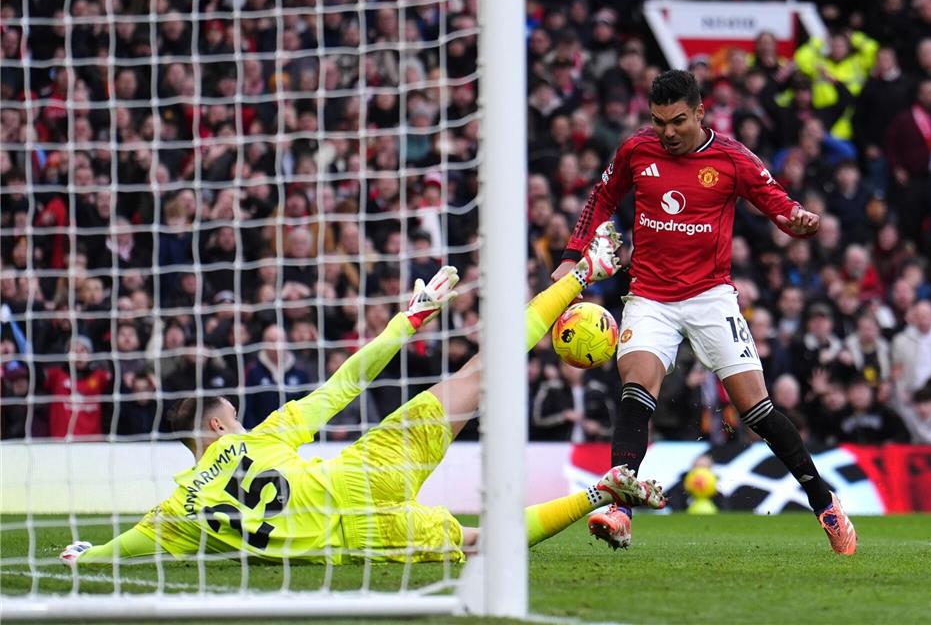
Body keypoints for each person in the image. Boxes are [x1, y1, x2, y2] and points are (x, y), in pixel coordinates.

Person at [60, 224, 665, 566]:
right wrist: (407, 322)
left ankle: (597, 492)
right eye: (235, 418)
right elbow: (346, 381)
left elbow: (125, 547)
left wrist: (83, 555)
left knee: (482, 540)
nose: (243, 422)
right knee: (481, 377)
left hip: (356, 537)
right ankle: (583, 274)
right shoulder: (265, 437)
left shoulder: (180, 510)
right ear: (218, 428)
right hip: (362, 470)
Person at [551, 70, 856, 555]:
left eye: (677, 121)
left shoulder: (733, 159)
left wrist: (799, 221)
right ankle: (620, 511)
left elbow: (779, 206)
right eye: (658, 122)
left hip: (711, 296)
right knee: (635, 389)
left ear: (699, 112)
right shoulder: (636, 151)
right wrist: (571, 256)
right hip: (649, 294)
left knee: (757, 410)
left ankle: (823, 500)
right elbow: (601, 199)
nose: (667, 133)